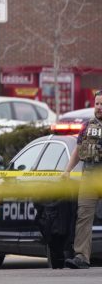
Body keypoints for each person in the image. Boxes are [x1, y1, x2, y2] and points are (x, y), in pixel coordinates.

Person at [62, 89, 102, 269]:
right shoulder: (87, 126)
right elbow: (78, 150)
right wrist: (68, 170)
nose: (99, 107)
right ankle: (81, 257)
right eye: (97, 104)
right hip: (89, 176)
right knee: (84, 216)